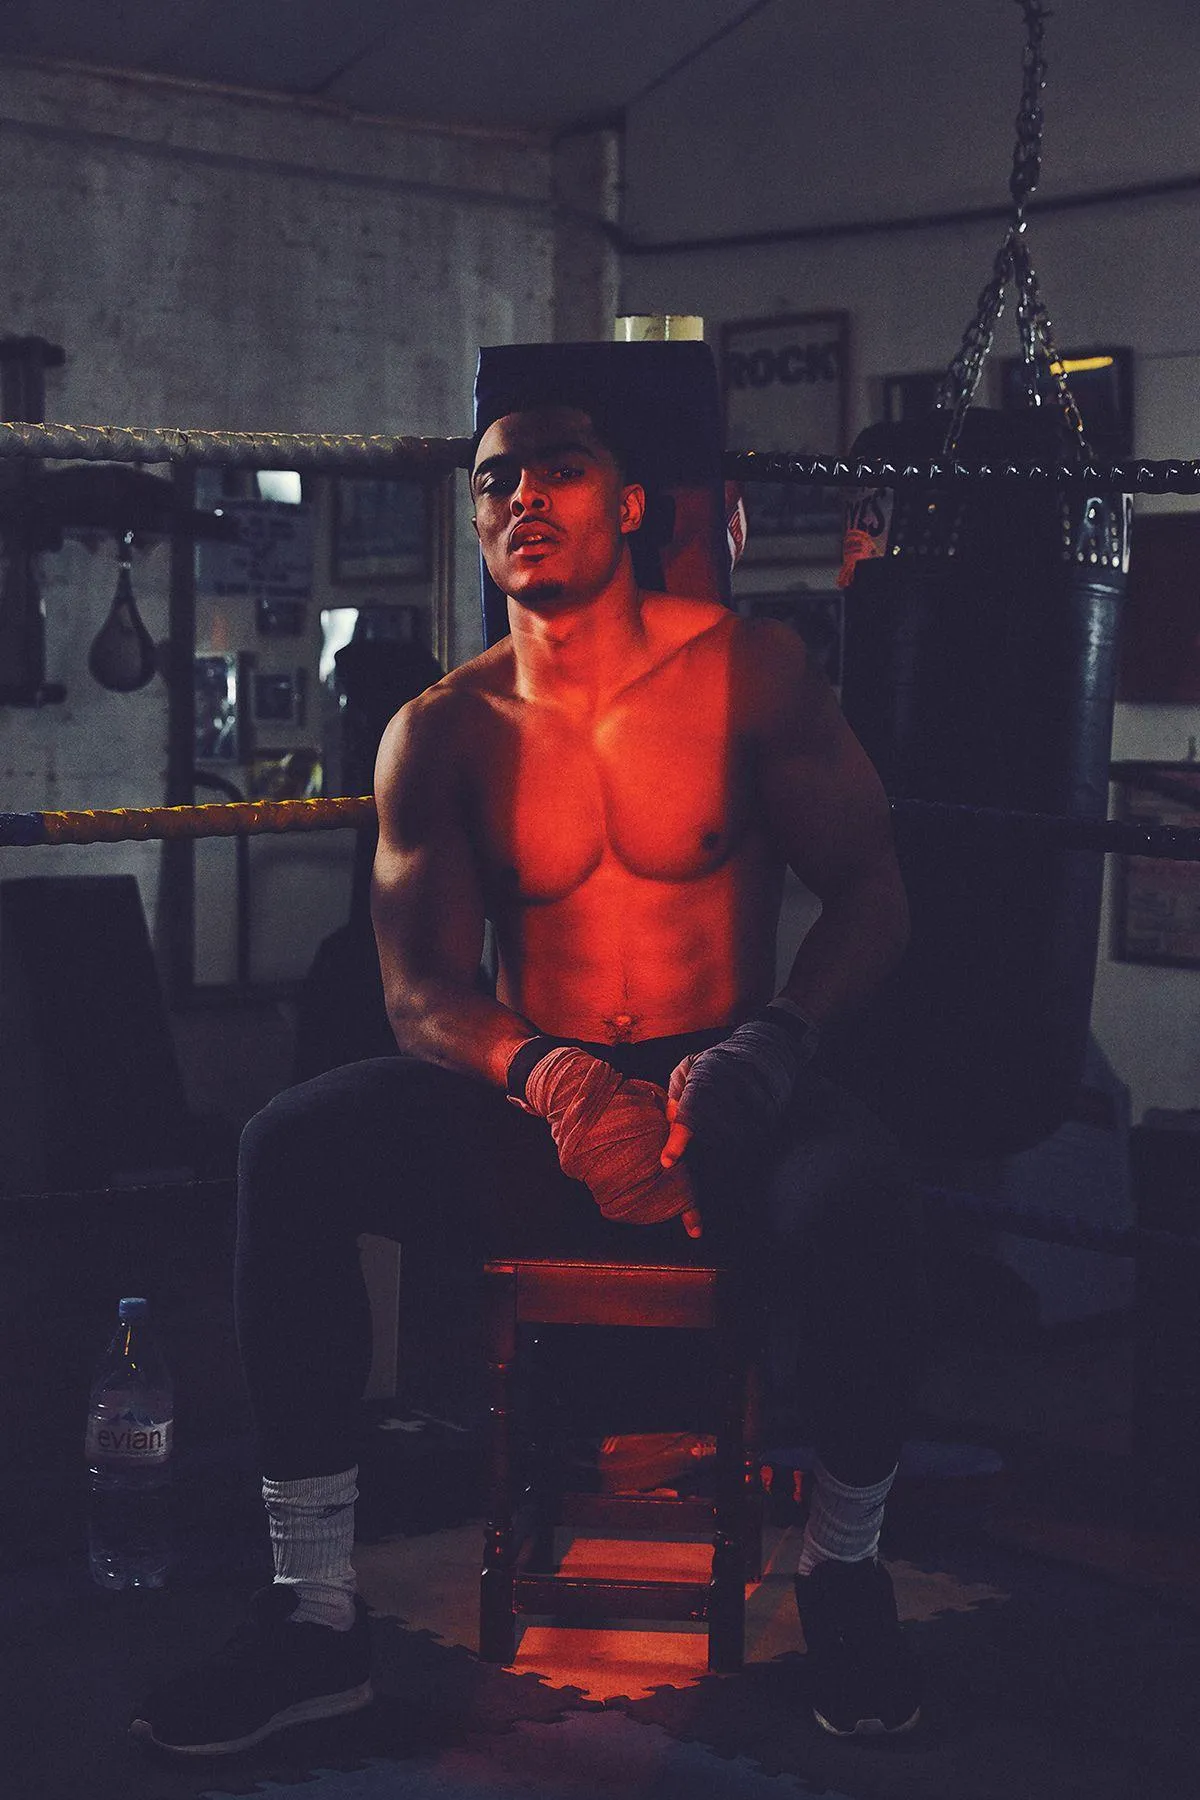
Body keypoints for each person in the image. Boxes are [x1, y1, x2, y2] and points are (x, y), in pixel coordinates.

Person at [131, 394, 925, 1757]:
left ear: (633, 506)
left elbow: (873, 891)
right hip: (535, 1101)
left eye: (563, 472)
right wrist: (548, 1077)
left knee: (868, 1195)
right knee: (289, 1147)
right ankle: (315, 1621)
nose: (524, 501)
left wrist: (775, 1042)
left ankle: (845, 1571)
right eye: (498, 481)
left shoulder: (752, 673)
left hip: (727, 1086)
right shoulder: (441, 730)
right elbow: (418, 992)